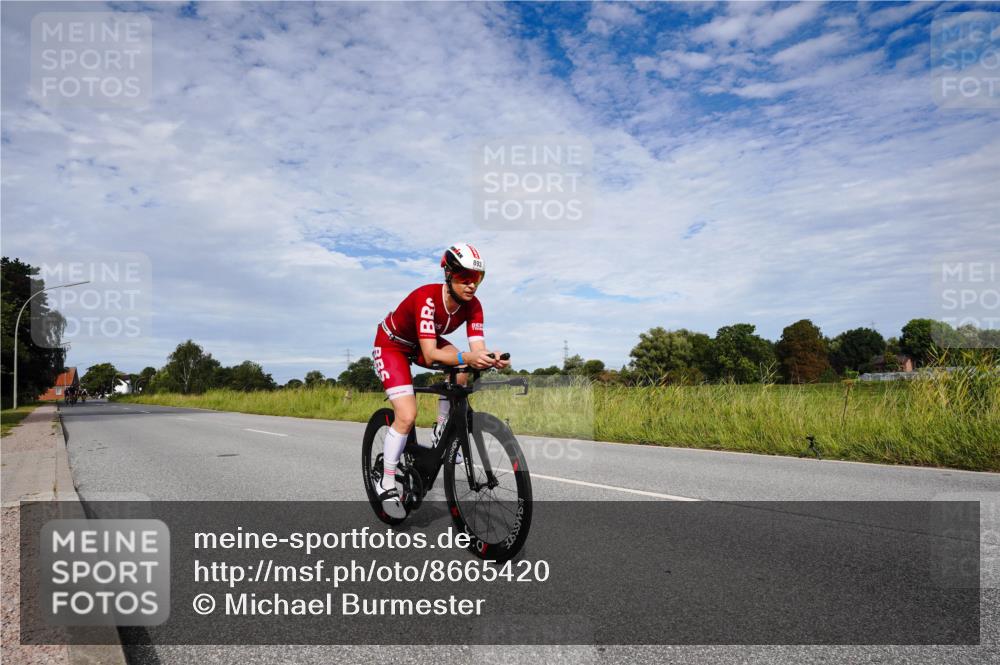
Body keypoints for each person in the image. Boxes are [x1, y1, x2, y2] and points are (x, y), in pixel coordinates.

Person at [371, 243, 509, 518]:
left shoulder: (474, 305)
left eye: (477, 278)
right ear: (448, 274)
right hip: (392, 345)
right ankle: (386, 482)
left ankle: (442, 428)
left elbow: (476, 349)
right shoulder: (427, 298)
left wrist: (491, 358)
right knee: (407, 415)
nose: (472, 285)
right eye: (465, 277)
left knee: (462, 369)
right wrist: (467, 357)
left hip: (423, 342)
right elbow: (431, 353)